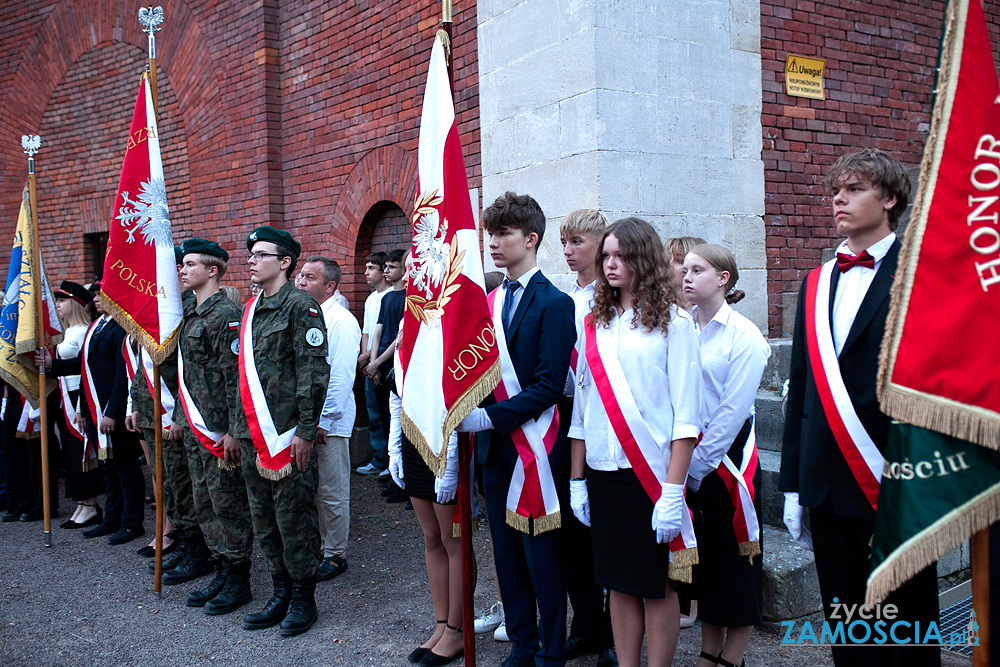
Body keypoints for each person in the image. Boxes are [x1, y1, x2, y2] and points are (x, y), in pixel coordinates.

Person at [779, 148, 940, 667]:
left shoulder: (922, 273)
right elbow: (801, 388)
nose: (839, 200)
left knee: (907, 629)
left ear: (890, 198)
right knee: (848, 631)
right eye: (834, 192)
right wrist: (795, 485)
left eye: (854, 190)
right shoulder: (815, 281)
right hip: (827, 483)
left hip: (896, 480)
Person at [568, 217, 702, 667]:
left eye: (621, 255)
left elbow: (687, 418)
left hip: (650, 476)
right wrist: (576, 479)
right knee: (617, 583)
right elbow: (582, 411)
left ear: (643, 258)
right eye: (605, 255)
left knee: (656, 584)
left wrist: (671, 491)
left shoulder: (675, 323)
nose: (610, 263)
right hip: (603, 475)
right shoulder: (594, 323)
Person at [457, 191, 576, 667]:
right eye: (490, 233)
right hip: (494, 452)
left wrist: (490, 416)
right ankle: (522, 646)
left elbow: (549, 384)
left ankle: (552, 650)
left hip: (538, 449)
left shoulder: (555, 303)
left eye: (503, 234)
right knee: (506, 557)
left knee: (542, 559)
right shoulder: (488, 301)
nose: (493, 243)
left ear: (531, 239)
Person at [238, 226, 329, 636]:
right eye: (251, 254)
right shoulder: (252, 308)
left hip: (287, 434)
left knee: (294, 520)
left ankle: (302, 599)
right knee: (264, 520)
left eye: (260, 254)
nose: (251, 260)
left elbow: (313, 374)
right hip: (252, 434)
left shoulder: (301, 306)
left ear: (285, 262)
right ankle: (279, 591)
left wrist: (306, 430)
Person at [682, 244, 770, 667]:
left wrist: (698, 466)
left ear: (723, 278)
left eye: (697, 269)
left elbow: (732, 411)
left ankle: (731, 658)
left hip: (726, 459)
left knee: (736, 562)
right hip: (688, 455)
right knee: (708, 564)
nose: (685, 275)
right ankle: (707, 651)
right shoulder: (682, 327)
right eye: (684, 269)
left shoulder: (744, 335)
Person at [175, 239, 255, 615]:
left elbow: (234, 378)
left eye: (191, 264)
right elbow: (187, 374)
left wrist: (234, 429)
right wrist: (180, 418)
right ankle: (221, 567)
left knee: (228, 503)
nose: (183, 269)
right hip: (195, 426)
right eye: (183, 264)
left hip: (219, 430)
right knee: (204, 499)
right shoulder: (191, 311)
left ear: (213, 270)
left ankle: (239, 578)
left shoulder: (226, 315)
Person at [559, 209, 617, 666]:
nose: (568, 251)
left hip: (610, 420)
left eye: (576, 241)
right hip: (568, 416)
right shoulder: (566, 299)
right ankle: (586, 625)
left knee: (609, 538)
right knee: (574, 537)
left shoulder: (615, 299)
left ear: (600, 244)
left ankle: (616, 633)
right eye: (564, 242)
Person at [44, 286, 146, 545]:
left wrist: (112, 412)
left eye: (103, 294)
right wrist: (52, 366)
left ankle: (132, 523)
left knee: (126, 467)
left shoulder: (122, 326)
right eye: (96, 295)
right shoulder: (97, 325)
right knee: (108, 467)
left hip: (111, 410)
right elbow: (84, 365)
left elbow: (122, 375)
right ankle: (111, 519)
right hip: (93, 407)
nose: (96, 299)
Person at [296, 255, 360, 582]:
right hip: (310, 421)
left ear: (329, 285)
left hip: (328, 424)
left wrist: (325, 419)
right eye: (301, 275)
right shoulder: (311, 315)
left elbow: (340, 377)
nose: (300, 282)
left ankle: (336, 554)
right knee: (317, 490)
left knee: (332, 490)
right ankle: (323, 545)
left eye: (309, 277)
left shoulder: (341, 321)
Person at [52, 281, 103, 528]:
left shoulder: (83, 331)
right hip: (66, 395)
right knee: (72, 452)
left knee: (82, 451)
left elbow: (86, 372)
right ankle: (82, 502)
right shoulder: (69, 332)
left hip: (80, 396)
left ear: (75, 304)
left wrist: (82, 405)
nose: (58, 305)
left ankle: (90, 503)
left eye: (62, 300)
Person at [367, 248, 408, 501]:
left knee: (399, 424)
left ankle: (403, 481)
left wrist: (379, 361)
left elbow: (399, 338)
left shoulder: (407, 297)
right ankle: (392, 473)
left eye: (392, 268)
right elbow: (378, 331)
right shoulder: (385, 299)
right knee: (386, 420)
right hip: (380, 366)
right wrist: (372, 362)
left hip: (395, 366)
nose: (386, 271)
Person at [356, 251, 391, 475]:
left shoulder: (391, 296)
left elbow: (385, 333)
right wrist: (364, 357)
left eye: (371, 268)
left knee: (387, 414)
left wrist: (373, 360)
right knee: (373, 413)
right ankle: (378, 458)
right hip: (370, 363)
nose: (366, 273)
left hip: (382, 362)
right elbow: (367, 332)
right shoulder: (371, 299)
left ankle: (390, 460)